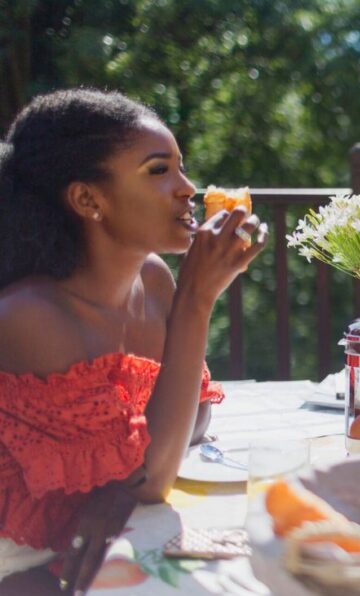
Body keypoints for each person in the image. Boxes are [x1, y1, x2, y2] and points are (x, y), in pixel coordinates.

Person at [0, 88, 266, 594]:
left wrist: (121, 488)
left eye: (181, 167)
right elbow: (155, 477)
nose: (187, 188)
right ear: (87, 199)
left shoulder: (154, 279)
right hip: (23, 563)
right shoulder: (30, 318)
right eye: (158, 170)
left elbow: (192, 418)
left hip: (110, 542)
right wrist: (197, 300)